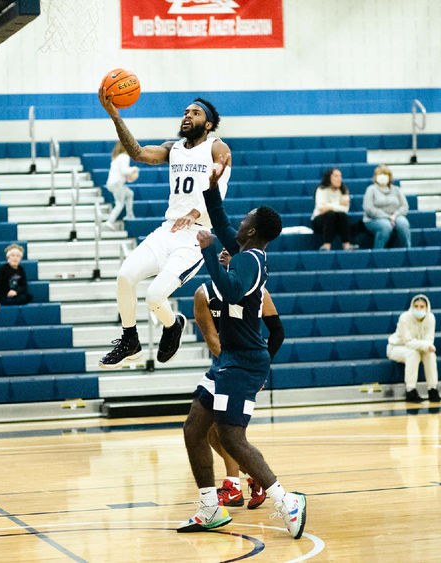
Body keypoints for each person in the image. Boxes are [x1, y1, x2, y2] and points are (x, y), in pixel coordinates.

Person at [178, 156, 306, 539]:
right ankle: (209, 508)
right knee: (193, 430)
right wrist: (213, 185)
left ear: (252, 230)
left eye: (246, 217)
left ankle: (287, 501)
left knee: (232, 436)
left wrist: (207, 250)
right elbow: (218, 220)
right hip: (228, 360)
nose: (241, 219)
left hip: (245, 362)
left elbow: (232, 288)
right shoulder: (244, 250)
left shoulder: (251, 260)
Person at [97, 87, 231, 368]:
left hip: (196, 236)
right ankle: (130, 340)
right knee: (125, 276)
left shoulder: (216, 147)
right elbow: (138, 153)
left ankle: (173, 325)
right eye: (185, 112)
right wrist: (115, 117)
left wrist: (198, 207)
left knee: (155, 296)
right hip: (168, 229)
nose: (187, 116)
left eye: (195, 113)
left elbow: (220, 184)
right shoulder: (175, 148)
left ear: (207, 124)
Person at [193, 248, 284, 509]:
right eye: (220, 250)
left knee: (227, 431)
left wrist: (260, 368)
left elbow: (277, 332)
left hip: (244, 367)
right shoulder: (204, 293)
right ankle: (254, 476)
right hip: (224, 364)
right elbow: (212, 339)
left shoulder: (258, 292)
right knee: (210, 434)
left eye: (231, 252)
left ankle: (232, 486)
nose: (224, 254)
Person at [387, 294, 440, 403]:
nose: (418, 309)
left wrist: (426, 346)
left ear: (427, 307)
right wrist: (425, 345)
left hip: (418, 348)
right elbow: (408, 342)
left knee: (430, 354)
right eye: (416, 306)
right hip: (397, 348)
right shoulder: (404, 318)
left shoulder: (431, 318)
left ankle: (433, 389)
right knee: (413, 354)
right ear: (412, 306)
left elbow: (429, 340)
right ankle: (410, 391)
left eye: (422, 306)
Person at [362, 165, 411, 249]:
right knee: (386, 226)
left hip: (395, 216)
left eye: (385, 174)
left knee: (403, 224)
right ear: (375, 177)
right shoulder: (371, 189)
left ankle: (407, 251)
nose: (383, 177)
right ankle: (378, 253)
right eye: (380, 174)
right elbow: (368, 208)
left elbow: (404, 206)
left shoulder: (396, 189)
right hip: (374, 219)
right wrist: (387, 217)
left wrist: (395, 215)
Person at [311, 168, 352, 251]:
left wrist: (329, 206)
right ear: (329, 177)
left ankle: (346, 245)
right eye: (336, 176)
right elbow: (321, 208)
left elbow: (345, 210)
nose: (339, 178)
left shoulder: (344, 191)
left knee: (342, 215)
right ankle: (326, 245)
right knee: (330, 214)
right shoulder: (321, 189)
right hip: (320, 221)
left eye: (340, 176)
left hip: (337, 221)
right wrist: (338, 204)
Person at [103, 141, 139, 229]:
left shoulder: (118, 157)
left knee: (130, 193)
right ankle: (109, 221)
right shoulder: (124, 156)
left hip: (114, 183)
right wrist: (134, 169)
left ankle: (130, 214)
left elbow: (120, 172)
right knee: (119, 203)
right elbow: (124, 170)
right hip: (116, 183)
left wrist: (127, 177)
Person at [0, 244, 32, 313]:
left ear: (20, 259)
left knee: (27, 297)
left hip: (16, 295)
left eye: (18, 256)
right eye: (12, 256)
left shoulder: (21, 269)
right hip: (5, 295)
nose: (15, 258)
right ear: (8, 258)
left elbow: (24, 286)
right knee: (5, 299)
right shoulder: (3, 269)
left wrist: (16, 291)